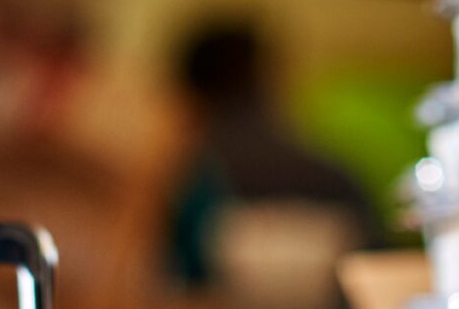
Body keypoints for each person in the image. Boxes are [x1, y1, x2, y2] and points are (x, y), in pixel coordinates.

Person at [160, 18, 386, 291]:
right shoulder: (335, 176)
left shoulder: (188, 180)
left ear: (187, 90)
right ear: (265, 78)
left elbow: (175, 286)